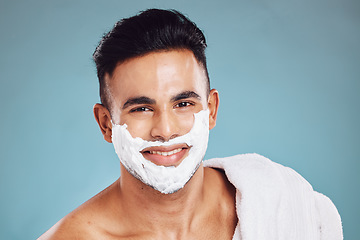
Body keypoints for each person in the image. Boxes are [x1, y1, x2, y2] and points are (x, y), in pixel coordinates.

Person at [38, 9, 342, 240]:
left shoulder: (280, 201)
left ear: (210, 110)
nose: (166, 130)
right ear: (106, 124)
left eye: (183, 104)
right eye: (142, 108)